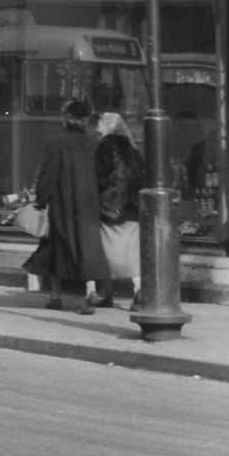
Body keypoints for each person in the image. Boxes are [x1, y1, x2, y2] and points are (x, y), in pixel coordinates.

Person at [24, 98, 109, 313]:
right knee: (87, 247)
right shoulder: (94, 142)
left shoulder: (56, 142)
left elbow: (48, 176)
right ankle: (90, 291)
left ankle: (55, 297)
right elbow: (103, 176)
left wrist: (41, 200)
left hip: (63, 204)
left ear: (66, 118)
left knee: (58, 249)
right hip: (88, 205)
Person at [93, 112, 145, 310]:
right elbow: (141, 175)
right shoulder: (132, 148)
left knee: (106, 252)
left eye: (100, 123)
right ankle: (139, 290)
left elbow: (99, 177)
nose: (98, 127)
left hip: (110, 209)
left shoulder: (104, 147)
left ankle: (105, 292)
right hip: (131, 208)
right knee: (132, 253)